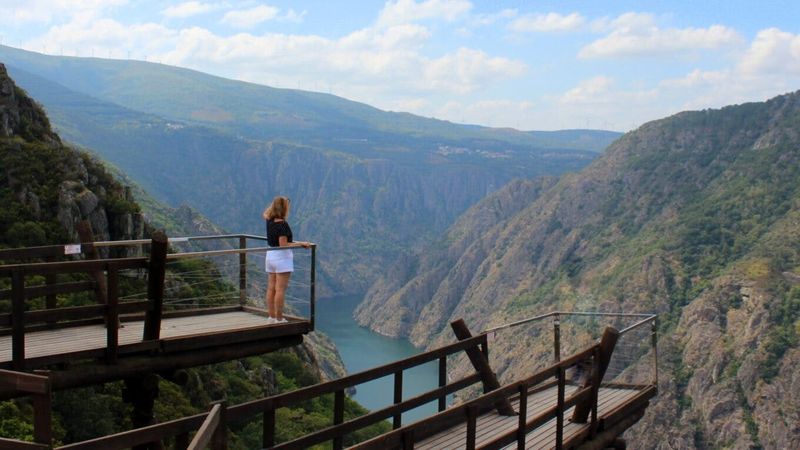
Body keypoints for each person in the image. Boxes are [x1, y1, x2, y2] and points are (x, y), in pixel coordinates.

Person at [263, 196, 310, 324]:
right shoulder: (282, 225)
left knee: (271, 288)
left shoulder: (269, 219)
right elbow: (283, 244)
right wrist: (301, 244)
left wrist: (277, 203)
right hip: (281, 258)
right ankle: (279, 318)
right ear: (284, 209)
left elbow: (266, 212)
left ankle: (271, 317)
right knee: (280, 289)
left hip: (270, 255)